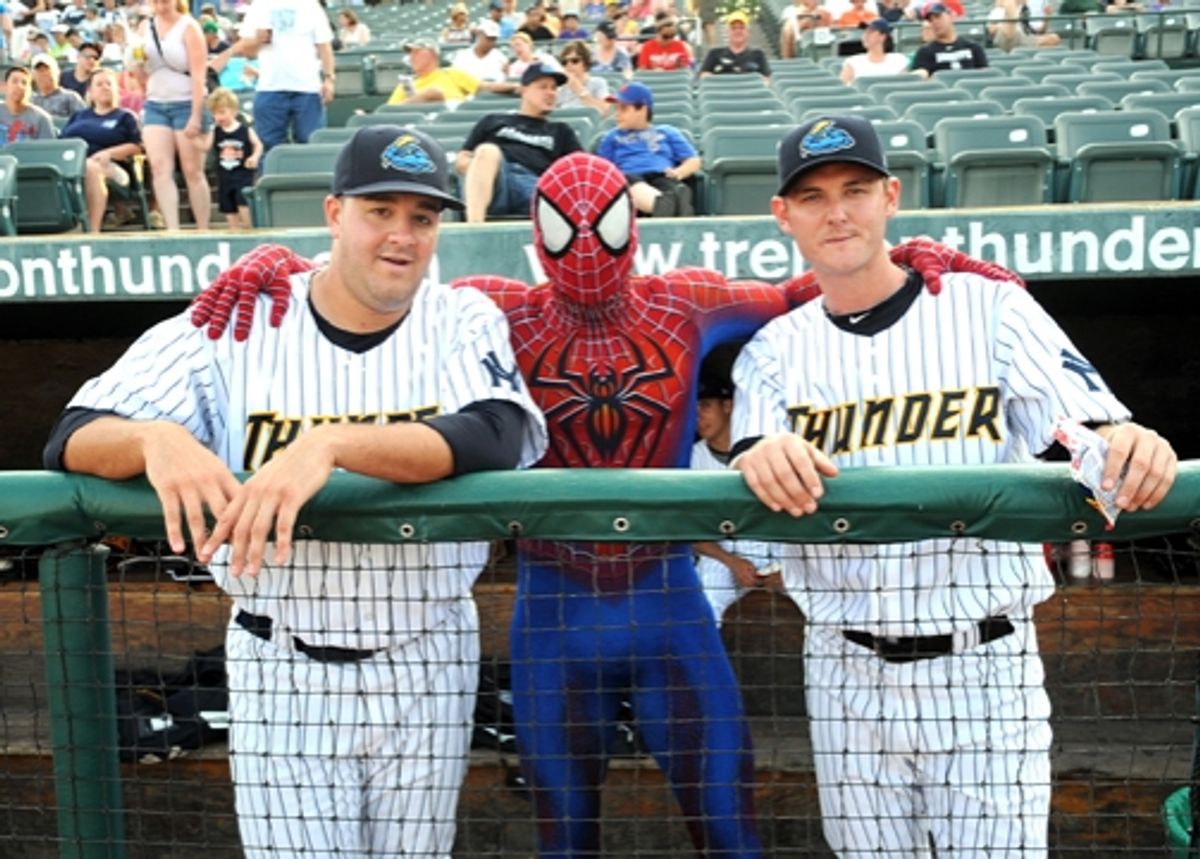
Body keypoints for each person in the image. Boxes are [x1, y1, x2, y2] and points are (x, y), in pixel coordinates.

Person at [45, 124, 549, 859]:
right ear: (335, 213)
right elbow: (72, 432)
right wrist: (155, 438)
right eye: (381, 211)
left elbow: (496, 433)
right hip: (283, 661)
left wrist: (331, 443)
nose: (402, 236)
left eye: (423, 216)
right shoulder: (241, 316)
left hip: (429, 650)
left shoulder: (460, 316)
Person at [730, 113, 1179, 856]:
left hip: (984, 663)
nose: (836, 211)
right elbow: (760, 529)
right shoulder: (771, 353)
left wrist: (1123, 442)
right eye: (811, 196)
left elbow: (1088, 434)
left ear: (891, 196)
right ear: (783, 214)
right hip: (845, 669)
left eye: (855, 189)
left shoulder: (990, 308)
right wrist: (758, 459)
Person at [691, 346, 783, 626]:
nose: (698, 416)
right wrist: (730, 561)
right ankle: (708, 669)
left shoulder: (769, 446)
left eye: (705, 406)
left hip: (780, 550)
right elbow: (689, 530)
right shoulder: (694, 456)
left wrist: (790, 568)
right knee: (704, 601)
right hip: (725, 555)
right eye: (693, 409)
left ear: (728, 406)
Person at [455, 61, 582, 223]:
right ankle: (474, 227)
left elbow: (578, 170)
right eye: (543, 87)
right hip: (495, 182)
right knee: (488, 151)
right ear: (523, 90)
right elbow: (461, 159)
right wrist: (481, 167)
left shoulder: (561, 131)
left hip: (536, 184)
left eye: (554, 88)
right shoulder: (493, 120)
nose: (551, 93)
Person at [138, 0, 210, 231]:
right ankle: (172, 229)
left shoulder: (189, 27)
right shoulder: (145, 27)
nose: (161, 4)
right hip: (156, 102)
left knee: (192, 171)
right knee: (159, 167)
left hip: (186, 101)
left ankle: (202, 227)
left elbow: (199, 75)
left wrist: (196, 115)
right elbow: (139, 68)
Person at [236, 0, 334, 157]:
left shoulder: (310, 5)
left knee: (313, 147)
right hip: (270, 87)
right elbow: (246, 50)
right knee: (269, 149)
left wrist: (329, 78)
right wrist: (257, 40)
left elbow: (324, 45)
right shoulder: (259, 6)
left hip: (307, 87)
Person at [596, 81, 699, 217]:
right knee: (625, 179)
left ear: (643, 110)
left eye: (624, 109)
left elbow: (693, 160)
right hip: (629, 179)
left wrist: (679, 172)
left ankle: (672, 200)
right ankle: (665, 204)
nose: (617, 114)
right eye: (617, 109)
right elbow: (602, 169)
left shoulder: (667, 132)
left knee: (672, 185)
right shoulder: (612, 137)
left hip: (662, 175)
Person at [60, 67, 141, 232]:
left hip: (114, 166)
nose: (105, 87)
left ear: (116, 89)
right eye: (99, 84)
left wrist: (109, 153)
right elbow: (62, 142)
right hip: (75, 164)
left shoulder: (125, 117)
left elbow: (137, 146)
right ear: (91, 91)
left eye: (109, 84)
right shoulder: (78, 116)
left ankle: (92, 230)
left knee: (91, 167)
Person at [208, 86, 260, 229]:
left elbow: (258, 144)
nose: (219, 117)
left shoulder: (244, 129)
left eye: (222, 112)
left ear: (234, 111)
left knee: (243, 204)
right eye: (215, 113)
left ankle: (248, 230)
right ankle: (234, 232)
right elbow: (206, 146)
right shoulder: (216, 131)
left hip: (242, 174)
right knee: (228, 207)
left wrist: (254, 157)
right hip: (224, 175)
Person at [387, 36, 480, 105]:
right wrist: (424, 97)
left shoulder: (453, 73)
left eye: (416, 52)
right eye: (410, 53)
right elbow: (389, 113)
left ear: (432, 54)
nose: (412, 57)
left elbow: (483, 89)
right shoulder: (406, 85)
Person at [911, 1, 987, 77]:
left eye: (938, 16)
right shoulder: (924, 52)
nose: (935, 22)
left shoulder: (973, 48)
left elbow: (984, 77)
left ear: (950, 16)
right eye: (930, 20)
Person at [699, 10, 771, 80]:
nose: (737, 31)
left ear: (748, 32)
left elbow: (766, 80)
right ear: (727, 32)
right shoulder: (714, 54)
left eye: (741, 28)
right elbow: (704, 76)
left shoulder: (758, 54)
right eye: (733, 28)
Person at [840, 18, 909, 83]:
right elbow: (844, 88)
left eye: (870, 32)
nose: (865, 36)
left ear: (882, 37)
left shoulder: (898, 60)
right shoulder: (852, 62)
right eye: (865, 32)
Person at [451, 20, 514, 87]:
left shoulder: (501, 59)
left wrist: (507, 74)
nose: (491, 42)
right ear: (479, 34)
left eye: (494, 39)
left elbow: (505, 83)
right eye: (488, 38)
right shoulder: (462, 57)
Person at [1, 64, 55, 141]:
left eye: (24, 83)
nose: (19, 86)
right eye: (14, 81)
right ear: (4, 86)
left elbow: (47, 150)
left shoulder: (41, 119)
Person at [556, 39, 608, 113]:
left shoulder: (599, 83)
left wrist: (579, 90)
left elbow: (605, 112)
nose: (569, 64)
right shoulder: (560, 88)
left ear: (585, 63)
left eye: (575, 60)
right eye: (564, 62)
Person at [29, 51, 86, 119]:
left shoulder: (71, 97)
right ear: (33, 75)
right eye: (40, 71)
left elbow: (84, 121)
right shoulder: (30, 101)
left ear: (57, 72)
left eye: (47, 69)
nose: (43, 74)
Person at [987, 0, 1060, 51]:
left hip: (1024, 38)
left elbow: (1039, 30)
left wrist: (1047, 17)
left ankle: (1027, 51)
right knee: (1010, 29)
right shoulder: (998, 11)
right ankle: (1012, 17)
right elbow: (991, 29)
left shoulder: (1026, 11)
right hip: (1006, 38)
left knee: (1054, 38)